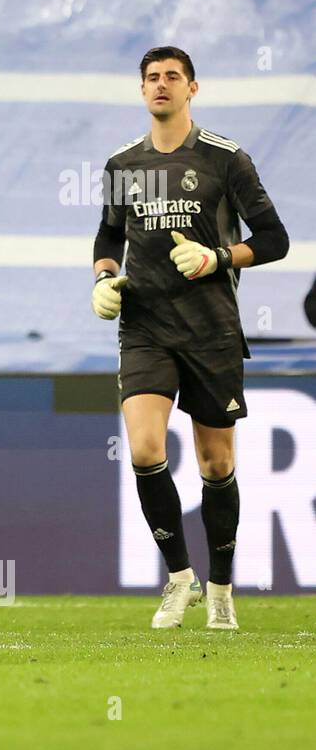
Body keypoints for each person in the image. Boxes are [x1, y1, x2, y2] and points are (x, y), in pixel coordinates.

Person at [91, 46, 290, 631]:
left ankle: (222, 587)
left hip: (212, 329)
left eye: (171, 77)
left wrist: (220, 257)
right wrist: (103, 278)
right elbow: (106, 235)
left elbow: (275, 239)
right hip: (146, 326)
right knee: (146, 448)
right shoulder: (123, 165)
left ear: (192, 89)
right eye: (151, 78)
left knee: (214, 460)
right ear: (142, 90)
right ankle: (180, 579)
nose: (161, 86)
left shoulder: (227, 160)